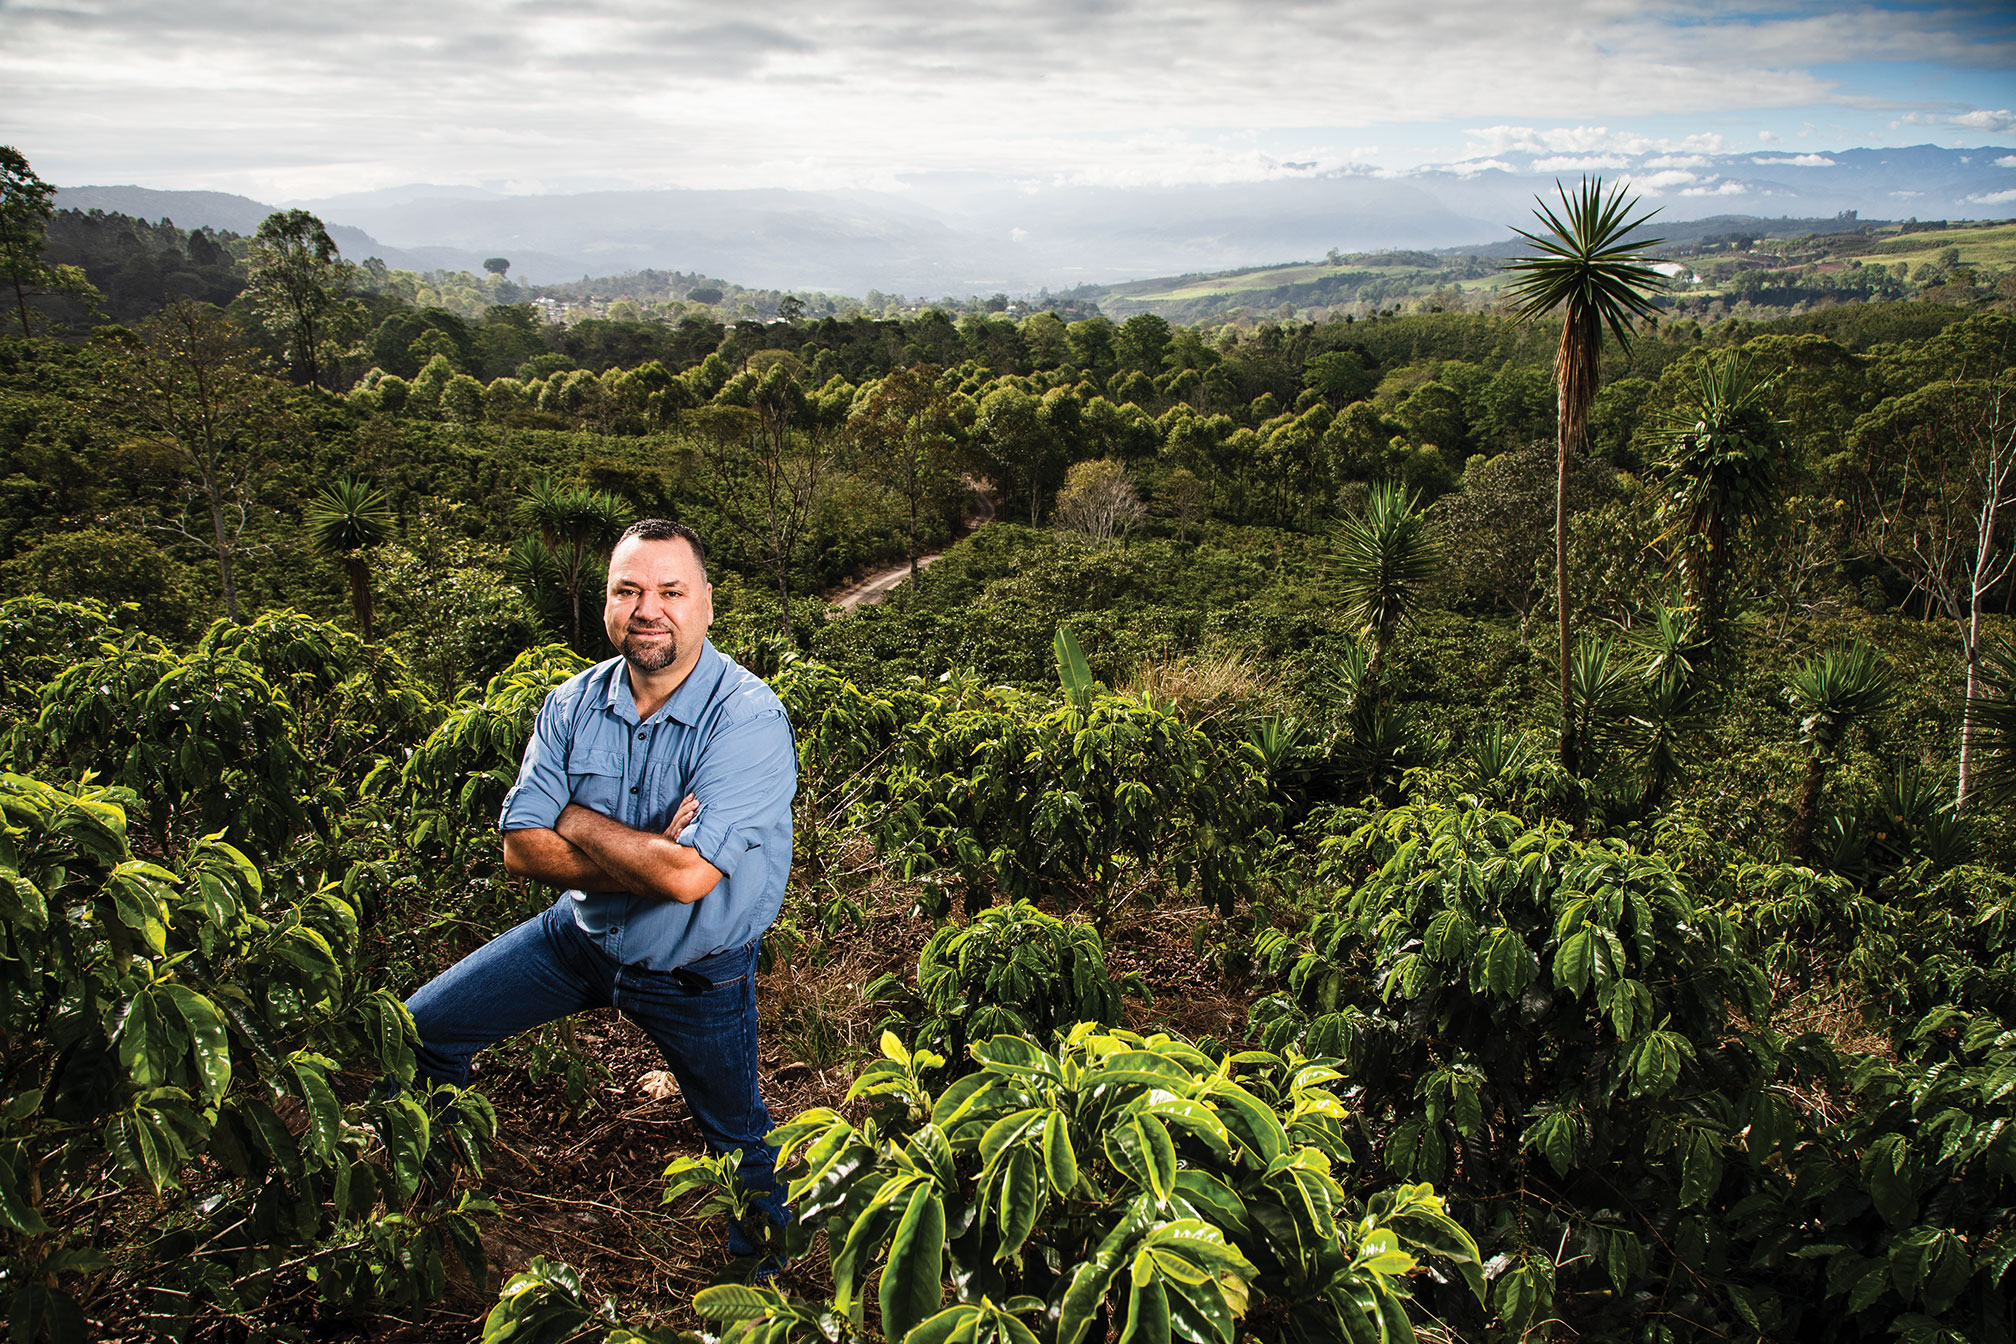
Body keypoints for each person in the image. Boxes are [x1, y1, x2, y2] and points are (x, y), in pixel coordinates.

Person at [404, 518, 796, 1263]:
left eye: (671, 591)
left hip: (696, 970)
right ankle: (443, 1214)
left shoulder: (747, 717)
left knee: (738, 1139)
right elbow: (522, 848)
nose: (649, 608)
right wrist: (651, 848)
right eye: (629, 590)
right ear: (607, 602)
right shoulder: (572, 704)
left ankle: (767, 1288)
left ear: (706, 603)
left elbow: (685, 880)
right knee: (422, 1032)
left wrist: (576, 818)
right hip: (577, 940)